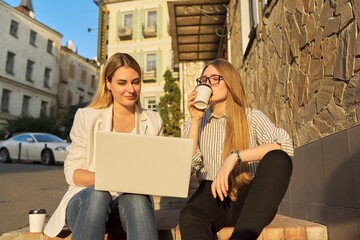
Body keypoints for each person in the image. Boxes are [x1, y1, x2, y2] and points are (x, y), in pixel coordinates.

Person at [44, 53, 163, 240]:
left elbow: (156, 172)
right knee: (98, 195)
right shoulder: (87, 117)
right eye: (122, 83)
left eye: (136, 82)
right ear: (108, 83)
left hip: (128, 211)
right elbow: (72, 172)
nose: (131, 89)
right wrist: (109, 179)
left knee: (136, 197)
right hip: (86, 207)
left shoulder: (154, 121)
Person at [179, 58, 294, 240]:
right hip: (213, 193)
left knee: (279, 159)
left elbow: (284, 145)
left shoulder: (251, 116)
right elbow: (187, 166)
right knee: (189, 215)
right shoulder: (194, 122)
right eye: (203, 80)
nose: (207, 83)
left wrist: (234, 158)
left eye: (214, 78)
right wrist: (194, 120)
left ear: (230, 82)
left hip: (248, 192)